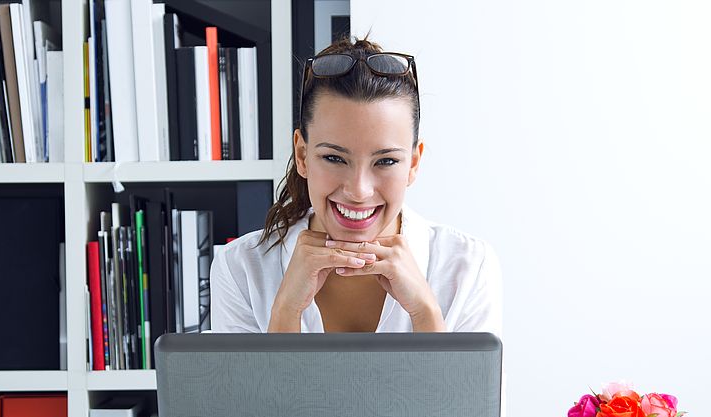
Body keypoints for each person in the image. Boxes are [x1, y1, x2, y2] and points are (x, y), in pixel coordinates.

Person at [210, 34, 502, 339]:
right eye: (334, 158)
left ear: (413, 164)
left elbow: (470, 389)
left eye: (386, 161)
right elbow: (247, 390)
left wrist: (426, 314)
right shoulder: (241, 269)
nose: (359, 190)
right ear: (302, 155)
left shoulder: (467, 268)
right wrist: (286, 311)